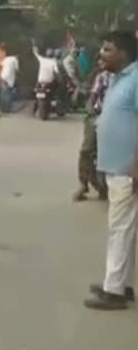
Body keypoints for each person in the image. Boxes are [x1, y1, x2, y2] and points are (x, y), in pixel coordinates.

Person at [84, 31, 138, 311]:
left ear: (124, 53)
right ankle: (122, 284)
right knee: (125, 230)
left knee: (119, 228)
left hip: (127, 169)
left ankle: (113, 291)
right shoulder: (120, 78)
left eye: (107, 49)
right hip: (116, 167)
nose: (101, 54)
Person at [73, 57, 110, 202]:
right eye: (100, 59)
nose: (101, 61)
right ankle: (83, 184)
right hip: (98, 116)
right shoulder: (101, 77)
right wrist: (91, 112)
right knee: (86, 151)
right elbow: (92, 98)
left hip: (118, 120)